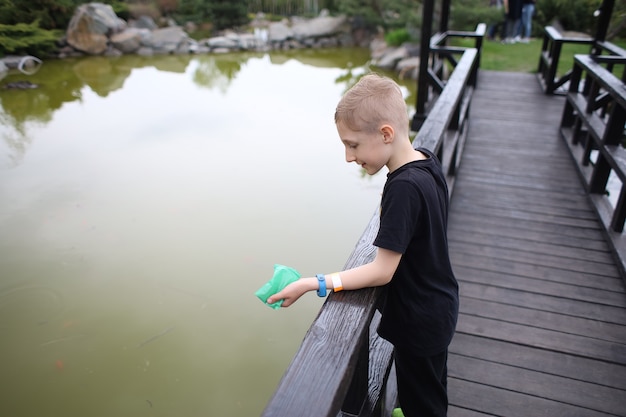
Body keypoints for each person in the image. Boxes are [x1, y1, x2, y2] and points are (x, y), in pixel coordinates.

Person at [266, 73, 459, 417]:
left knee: (424, 403)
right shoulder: (425, 161)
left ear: (386, 133)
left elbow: (382, 270)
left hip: (420, 319)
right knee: (428, 387)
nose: (347, 156)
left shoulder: (404, 188)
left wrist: (315, 283)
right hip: (438, 304)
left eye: (352, 144)